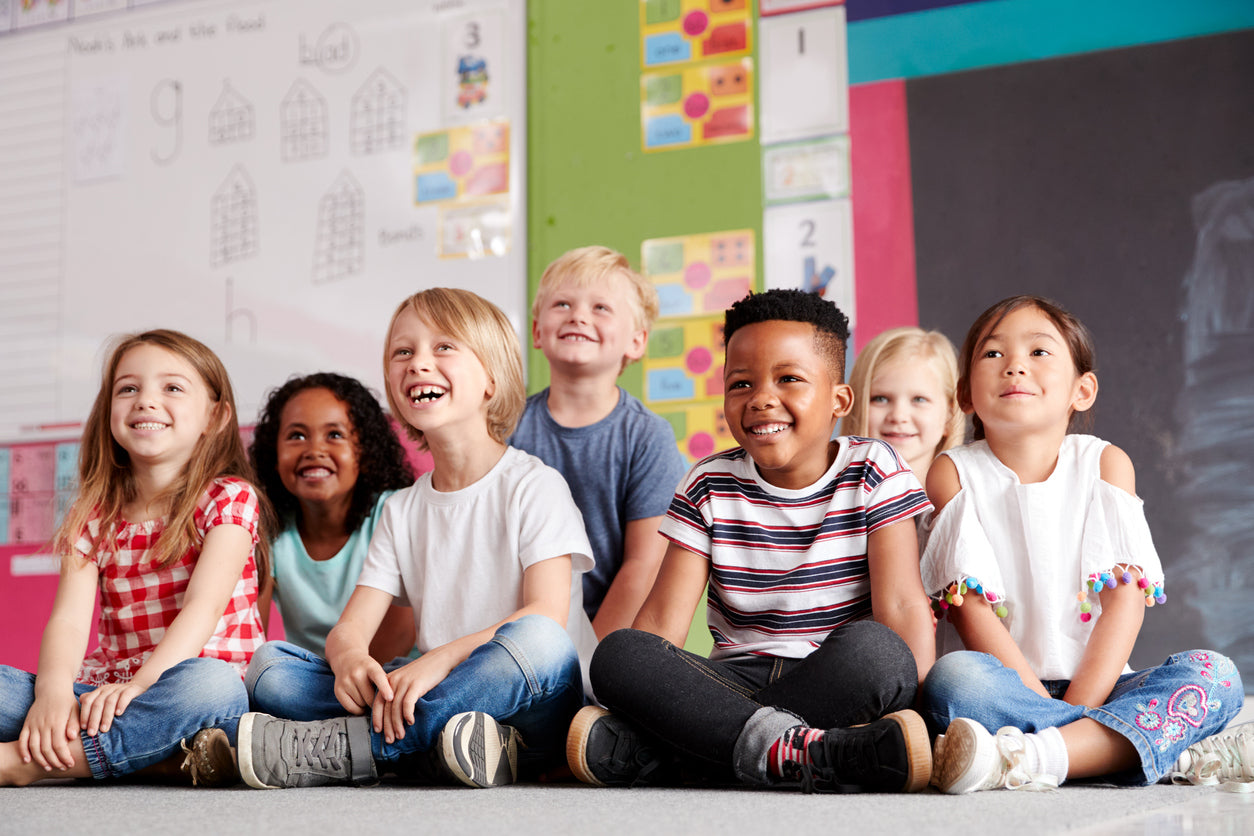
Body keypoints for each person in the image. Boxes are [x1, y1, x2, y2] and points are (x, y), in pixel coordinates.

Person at [568, 289, 937, 793]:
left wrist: (926, 719)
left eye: (789, 379)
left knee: (879, 653)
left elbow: (901, 604)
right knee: (620, 655)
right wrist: (637, 682)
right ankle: (817, 752)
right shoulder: (707, 483)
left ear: (839, 400)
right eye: (741, 383)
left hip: (833, 677)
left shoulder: (875, 469)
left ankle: (679, 755)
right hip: (730, 682)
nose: (761, 397)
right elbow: (660, 626)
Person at [237, 288, 596, 790]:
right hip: (439, 697)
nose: (418, 363)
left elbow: (545, 618)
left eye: (443, 347)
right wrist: (352, 662)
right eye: (402, 352)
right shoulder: (401, 508)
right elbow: (349, 631)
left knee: (539, 641)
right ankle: (440, 748)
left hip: (533, 702)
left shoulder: (534, 485)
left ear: (491, 379)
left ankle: (357, 750)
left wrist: (438, 661)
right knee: (270, 668)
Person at [921, 295, 1244, 793]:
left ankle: (1037, 754)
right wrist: (1064, 716)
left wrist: (1082, 707)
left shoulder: (1105, 464)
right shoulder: (953, 472)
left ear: (1083, 389)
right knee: (953, 680)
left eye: (1039, 352)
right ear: (965, 395)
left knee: (1217, 675)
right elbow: (971, 611)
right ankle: (1128, 750)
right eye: (993, 355)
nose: (1014, 368)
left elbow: (1125, 604)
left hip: (1104, 688)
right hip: (1004, 691)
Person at [0, 329, 271, 787]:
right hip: (106, 696)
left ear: (216, 416)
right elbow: (67, 621)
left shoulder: (229, 499)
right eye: (128, 388)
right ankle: (158, 756)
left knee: (210, 686)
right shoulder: (93, 513)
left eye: (172, 388)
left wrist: (143, 686)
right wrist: (52, 693)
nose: (145, 401)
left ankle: (32, 762)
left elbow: (201, 609)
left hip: (191, 694)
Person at [511, 246, 687, 638]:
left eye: (601, 308)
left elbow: (643, 566)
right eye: (562, 304)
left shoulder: (646, 436)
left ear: (636, 342)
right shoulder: (507, 427)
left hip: (604, 638)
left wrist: (586, 664)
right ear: (537, 331)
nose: (578, 316)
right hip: (518, 631)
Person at [245, 373, 417, 716]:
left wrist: (356, 681)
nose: (314, 450)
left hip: (392, 675)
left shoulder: (395, 510)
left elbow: (402, 632)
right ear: (273, 454)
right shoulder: (268, 529)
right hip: (315, 681)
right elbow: (252, 631)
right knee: (267, 672)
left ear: (365, 451)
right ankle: (357, 736)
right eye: (296, 436)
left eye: (335, 435)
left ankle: (338, 731)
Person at [843, 326, 964, 483]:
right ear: (855, 407)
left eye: (919, 399)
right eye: (880, 399)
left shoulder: (968, 503)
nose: (898, 416)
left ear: (950, 415)